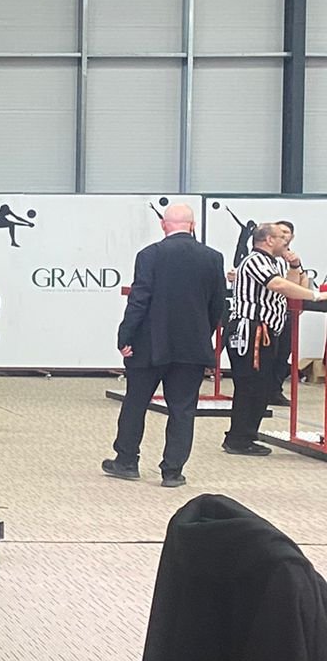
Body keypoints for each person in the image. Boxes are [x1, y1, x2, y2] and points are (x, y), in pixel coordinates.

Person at [103, 204, 227, 488]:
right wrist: (203, 334)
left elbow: (139, 299)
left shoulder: (150, 255)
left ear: (163, 225)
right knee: (182, 409)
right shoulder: (213, 257)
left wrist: (125, 336)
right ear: (193, 225)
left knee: (135, 403)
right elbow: (217, 304)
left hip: (149, 344)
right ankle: (172, 471)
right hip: (192, 346)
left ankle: (126, 461)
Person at [223, 222, 316, 457]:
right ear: (268, 240)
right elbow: (277, 285)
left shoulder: (274, 262)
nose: (286, 241)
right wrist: (315, 295)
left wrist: (294, 266)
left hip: (267, 330)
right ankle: (238, 439)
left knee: (262, 385)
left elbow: (290, 286)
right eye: (281, 237)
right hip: (251, 329)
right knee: (250, 385)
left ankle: (246, 435)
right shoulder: (255, 260)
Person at [265, 221, 314, 406]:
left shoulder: (293, 258)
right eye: (279, 232)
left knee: (283, 353)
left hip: (287, 313)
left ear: (291, 236)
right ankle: (262, 391)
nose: (283, 235)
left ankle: (275, 390)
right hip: (268, 313)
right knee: (268, 353)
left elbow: (301, 281)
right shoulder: (265, 257)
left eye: (286, 232)